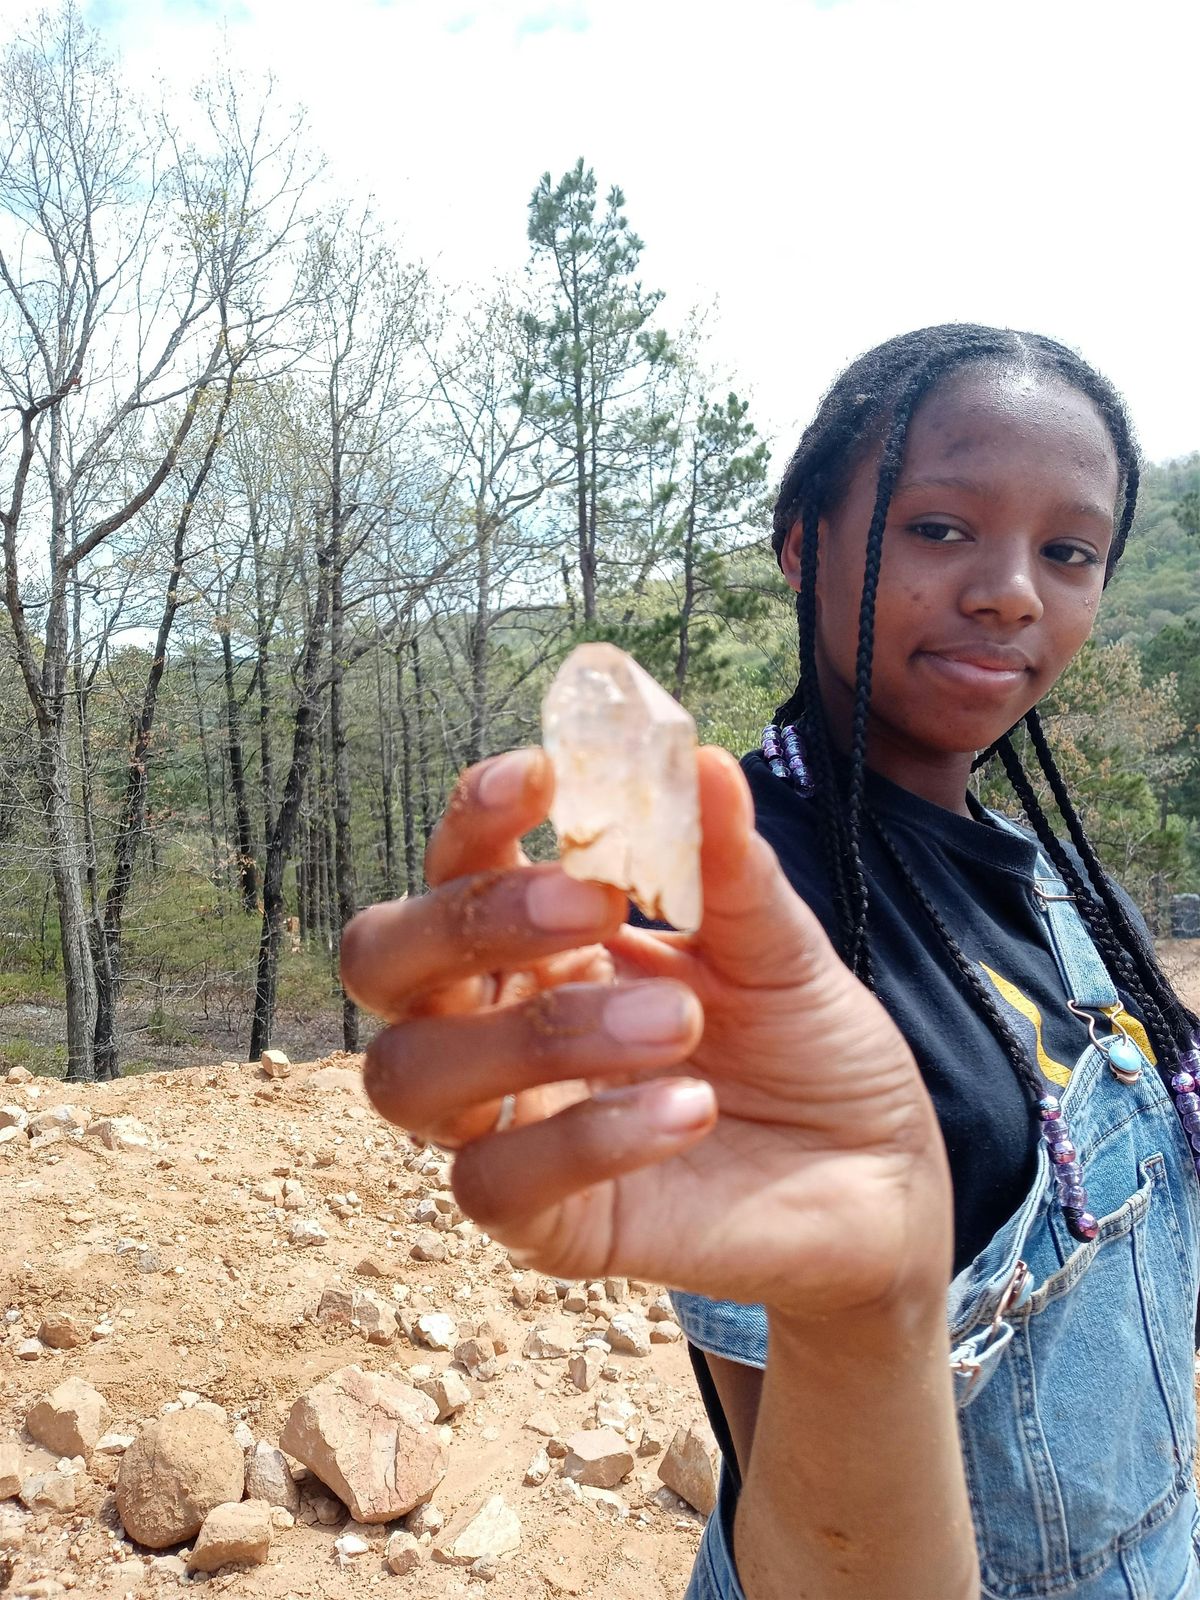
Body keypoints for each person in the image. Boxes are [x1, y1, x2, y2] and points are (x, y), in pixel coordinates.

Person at [340, 324, 1200, 1600]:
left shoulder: (1062, 879)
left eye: (1068, 551)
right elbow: (819, 1555)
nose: (1014, 588)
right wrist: (867, 1312)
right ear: (805, 544)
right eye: (941, 528)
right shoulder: (736, 912)